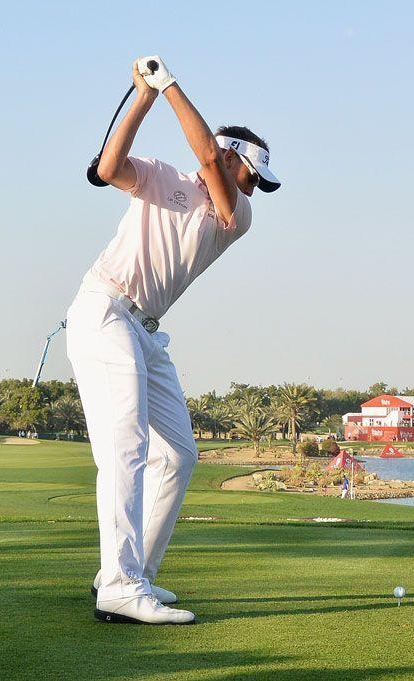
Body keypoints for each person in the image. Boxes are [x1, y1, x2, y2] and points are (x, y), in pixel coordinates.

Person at [67, 55, 280, 625]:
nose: (254, 188)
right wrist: (143, 95)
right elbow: (109, 167)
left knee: (179, 457)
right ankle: (117, 583)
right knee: (128, 447)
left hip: (145, 331)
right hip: (104, 310)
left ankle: (135, 575)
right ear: (239, 159)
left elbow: (208, 156)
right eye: (253, 174)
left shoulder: (236, 215)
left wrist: (169, 87)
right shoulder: (164, 178)